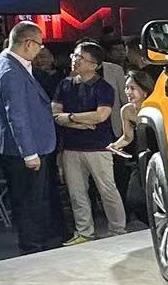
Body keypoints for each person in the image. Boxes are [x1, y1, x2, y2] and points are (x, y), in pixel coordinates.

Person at [0, 22, 60, 254]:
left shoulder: (8, 63)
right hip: (24, 149)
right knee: (30, 202)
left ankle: (38, 244)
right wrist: (29, 153)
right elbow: (16, 115)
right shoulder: (10, 70)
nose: (40, 50)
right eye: (39, 45)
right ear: (28, 43)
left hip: (25, 146)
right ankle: (33, 248)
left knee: (33, 200)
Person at [53, 40, 126, 245]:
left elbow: (101, 115)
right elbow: (55, 113)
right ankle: (84, 231)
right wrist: (79, 123)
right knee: (76, 192)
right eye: (74, 55)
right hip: (71, 147)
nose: (74, 60)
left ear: (94, 65)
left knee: (107, 190)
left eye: (80, 57)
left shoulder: (103, 87)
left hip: (99, 147)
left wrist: (70, 117)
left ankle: (118, 230)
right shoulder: (65, 84)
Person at [107, 68, 152, 215]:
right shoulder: (126, 110)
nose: (128, 92)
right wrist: (115, 146)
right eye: (126, 87)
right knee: (134, 199)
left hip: (159, 154)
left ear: (145, 91)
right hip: (140, 157)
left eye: (133, 88)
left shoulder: (155, 107)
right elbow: (127, 137)